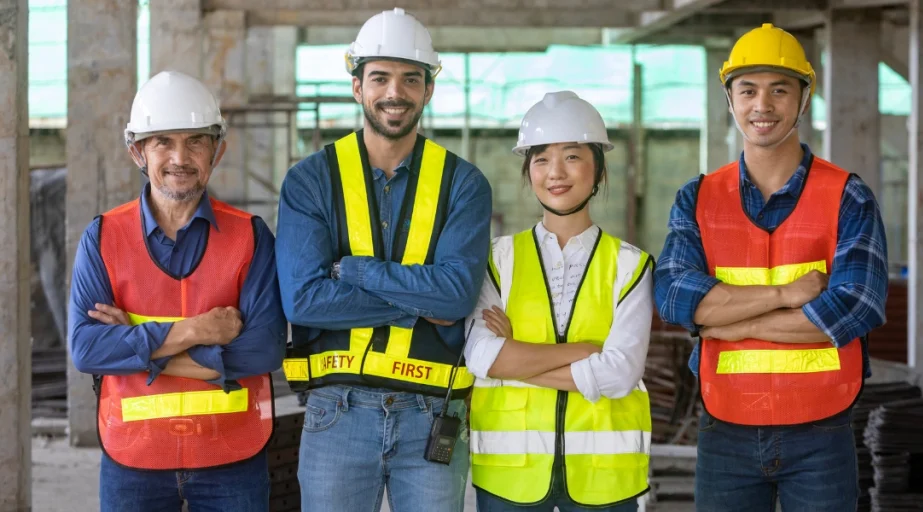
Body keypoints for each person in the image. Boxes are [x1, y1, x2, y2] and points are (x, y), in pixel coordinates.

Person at [654, 23, 889, 511]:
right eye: (748, 90)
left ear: (804, 99)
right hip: (725, 428)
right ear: (730, 99)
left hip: (822, 430)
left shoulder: (848, 196)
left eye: (779, 90)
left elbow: (853, 307)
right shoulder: (697, 198)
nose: (762, 105)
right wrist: (787, 295)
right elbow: (676, 297)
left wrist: (723, 322)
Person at [274, 7, 492, 512]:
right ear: (357, 87)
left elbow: (458, 295)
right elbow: (305, 301)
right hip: (336, 413)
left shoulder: (463, 183)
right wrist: (422, 301)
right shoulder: (310, 181)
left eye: (410, 79)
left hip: (433, 413)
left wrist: (356, 271)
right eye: (380, 78)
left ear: (428, 90)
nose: (395, 92)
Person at [68, 70, 287, 511]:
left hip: (231, 454)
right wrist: (197, 330)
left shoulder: (251, 237)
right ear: (137, 152)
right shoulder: (103, 237)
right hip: (134, 454)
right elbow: (86, 349)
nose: (179, 157)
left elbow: (263, 352)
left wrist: (134, 346)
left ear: (217, 150)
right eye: (162, 141)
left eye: (195, 141)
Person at [465, 91, 654, 512]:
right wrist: (584, 353)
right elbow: (482, 357)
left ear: (599, 172)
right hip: (509, 477)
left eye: (572, 157)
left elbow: (620, 373)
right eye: (541, 159)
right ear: (527, 172)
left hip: (604, 482)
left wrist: (515, 362)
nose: (556, 173)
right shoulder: (496, 259)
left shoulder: (631, 266)